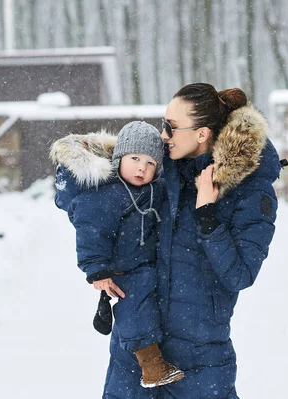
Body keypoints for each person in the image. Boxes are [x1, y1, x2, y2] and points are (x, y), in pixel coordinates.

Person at [101, 84, 282, 399]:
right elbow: (89, 202)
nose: (163, 135)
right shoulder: (155, 168)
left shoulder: (251, 192)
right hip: (137, 350)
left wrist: (207, 216)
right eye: (163, 124)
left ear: (202, 134)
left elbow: (240, 274)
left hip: (200, 360)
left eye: (171, 127)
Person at [49, 121, 185, 389]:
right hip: (122, 270)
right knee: (135, 308)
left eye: (150, 163)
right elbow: (91, 230)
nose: (141, 168)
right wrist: (97, 270)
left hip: (145, 264)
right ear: (119, 157)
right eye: (135, 158)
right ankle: (151, 366)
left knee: (145, 304)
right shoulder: (106, 194)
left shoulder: (151, 190)